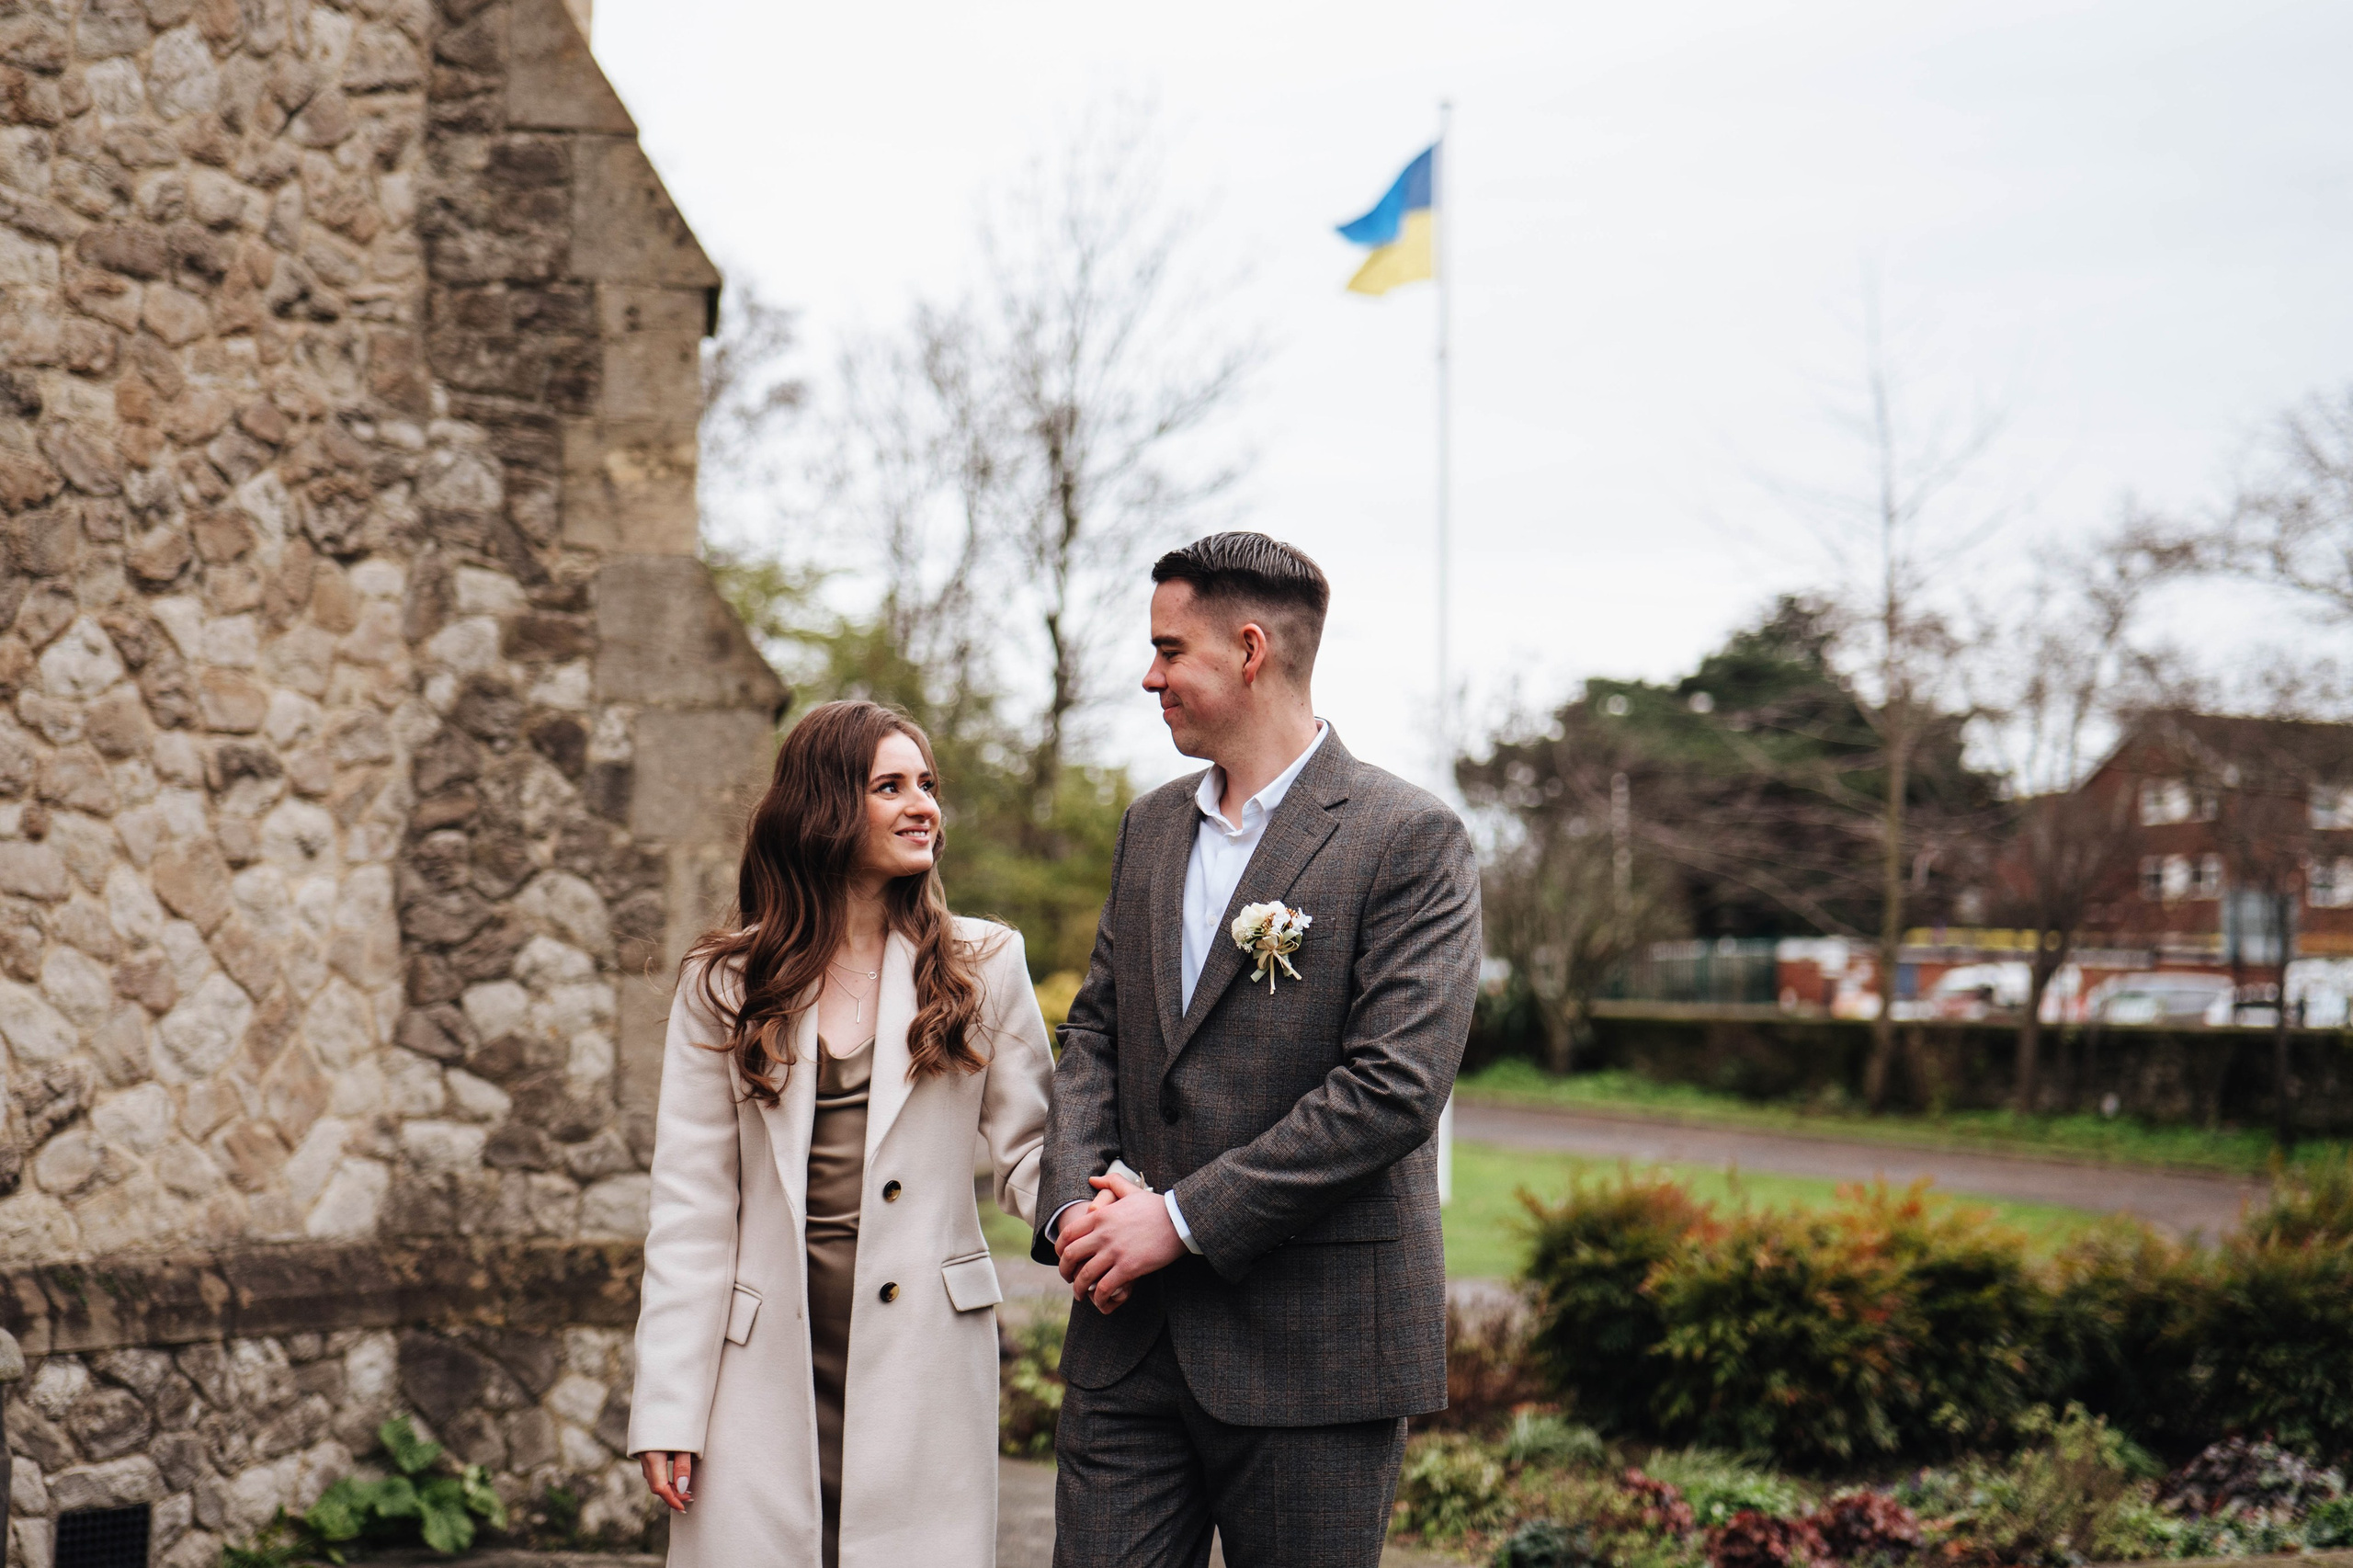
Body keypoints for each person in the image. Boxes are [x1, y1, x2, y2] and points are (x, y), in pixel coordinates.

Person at [1035, 533, 1483, 1568]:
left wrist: (1180, 1220)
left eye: (1167, 649)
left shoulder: (1407, 837)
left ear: (1247, 649)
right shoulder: (1149, 829)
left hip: (1315, 1348)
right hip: (1126, 1342)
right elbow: (1095, 1029)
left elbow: (1393, 1087)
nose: (1148, 676)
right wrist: (1075, 1212)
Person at [628, 699, 1055, 1567]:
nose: (923, 804)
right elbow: (691, 1207)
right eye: (889, 786)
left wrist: (1122, 1220)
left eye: (927, 785)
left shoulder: (982, 966)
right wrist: (669, 1407)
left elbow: (1036, 1157)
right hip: (760, 1361)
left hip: (925, 1355)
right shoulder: (727, 983)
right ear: (823, 808)